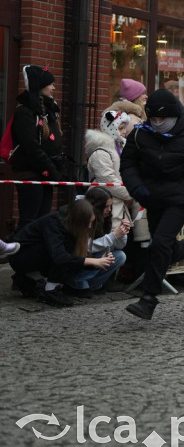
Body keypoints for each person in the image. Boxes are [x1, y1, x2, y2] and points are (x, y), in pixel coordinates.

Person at [120, 89, 184, 319]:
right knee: (164, 247)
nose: (158, 124)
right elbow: (127, 164)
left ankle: (148, 298)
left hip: (180, 198)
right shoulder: (139, 135)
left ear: (175, 116)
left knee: (158, 245)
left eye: (163, 119)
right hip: (152, 197)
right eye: (154, 119)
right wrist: (136, 188)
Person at [9, 199, 117, 307]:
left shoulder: (68, 223)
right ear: (77, 220)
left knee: (69, 252)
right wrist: (93, 261)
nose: (89, 226)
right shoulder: (53, 223)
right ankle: (50, 290)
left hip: (33, 256)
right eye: (87, 222)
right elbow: (60, 257)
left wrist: (97, 263)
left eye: (91, 222)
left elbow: (75, 258)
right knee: (65, 251)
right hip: (21, 257)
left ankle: (34, 283)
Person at [9, 65, 65, 230]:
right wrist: (51, 170)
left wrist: (56, 167)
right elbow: (31, 147)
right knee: (29, 223)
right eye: (50, 84)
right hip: (31, 174)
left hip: (45, 175)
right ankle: (20, 255)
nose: (54, 88)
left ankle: (35, 255)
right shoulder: (25, 112)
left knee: (43, 221)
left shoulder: (48, 110)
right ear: (39, 86)